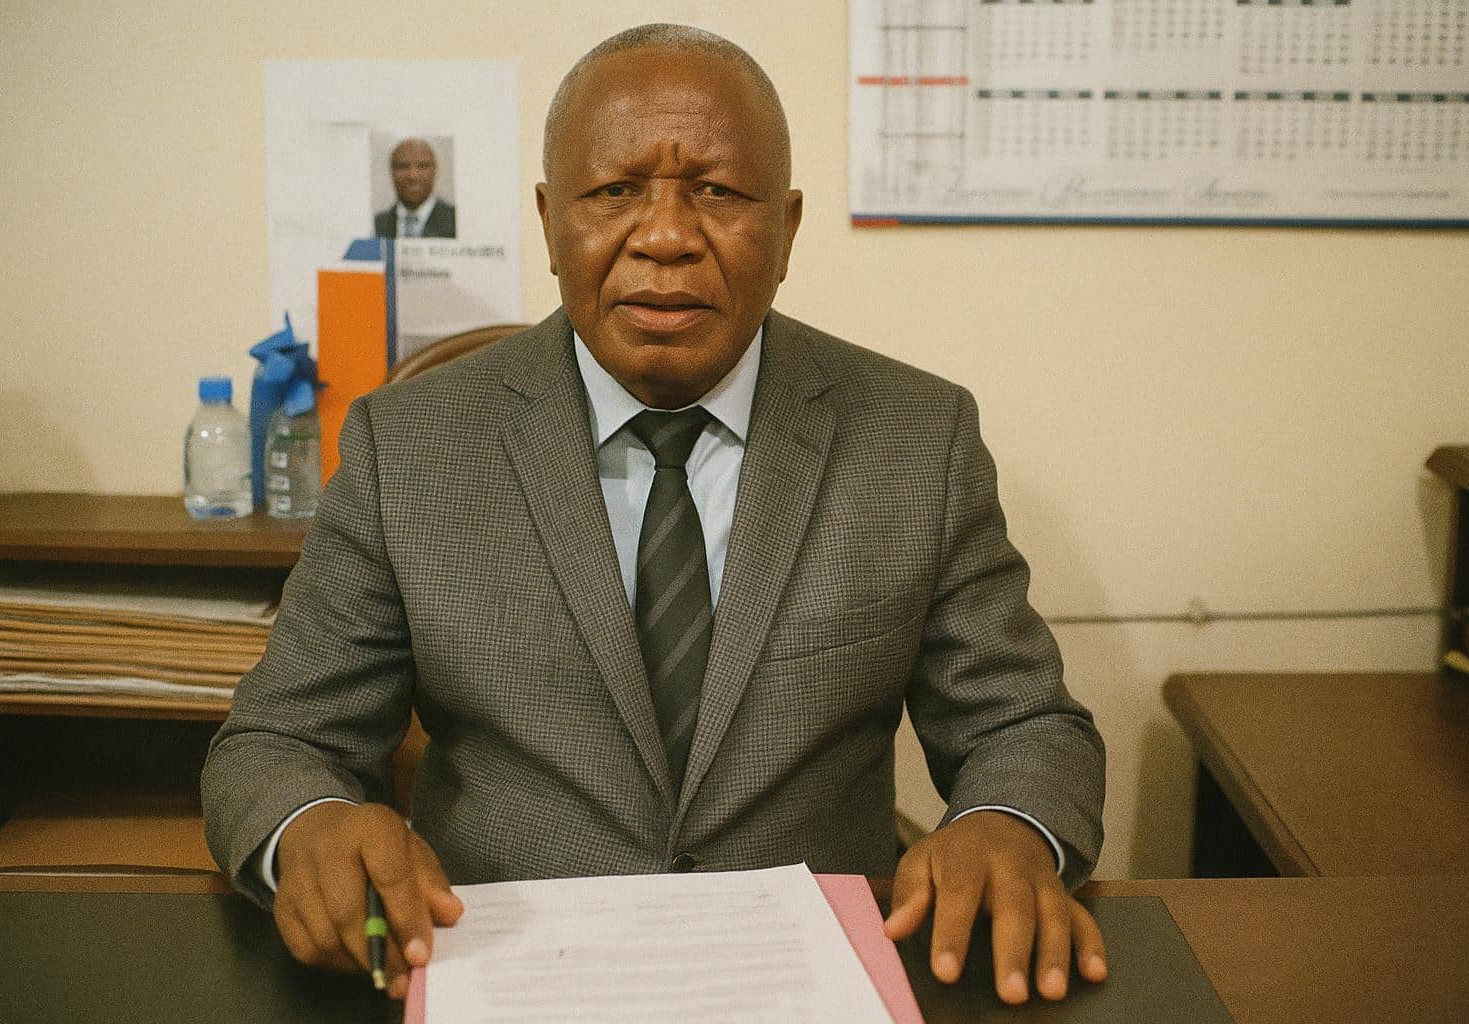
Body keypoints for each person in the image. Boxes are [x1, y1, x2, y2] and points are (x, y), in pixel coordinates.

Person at [203, 23, 1107, 1007]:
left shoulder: (915, 438)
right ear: (550, 220)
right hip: (503, 971)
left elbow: (1025, 724)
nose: (667, 236)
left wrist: (1010, 823)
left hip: (806, 983)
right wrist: (311, 823)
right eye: (614, 191)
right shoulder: (409, 446)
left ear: (788, 229)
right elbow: (280, 741)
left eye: (717, 192)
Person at [373, 138, 457, 238]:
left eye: (423, 166)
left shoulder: (456, 221)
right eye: (403, 166)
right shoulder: (376, 225)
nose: (413, 176)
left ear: (435, 170)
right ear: (391, 172)